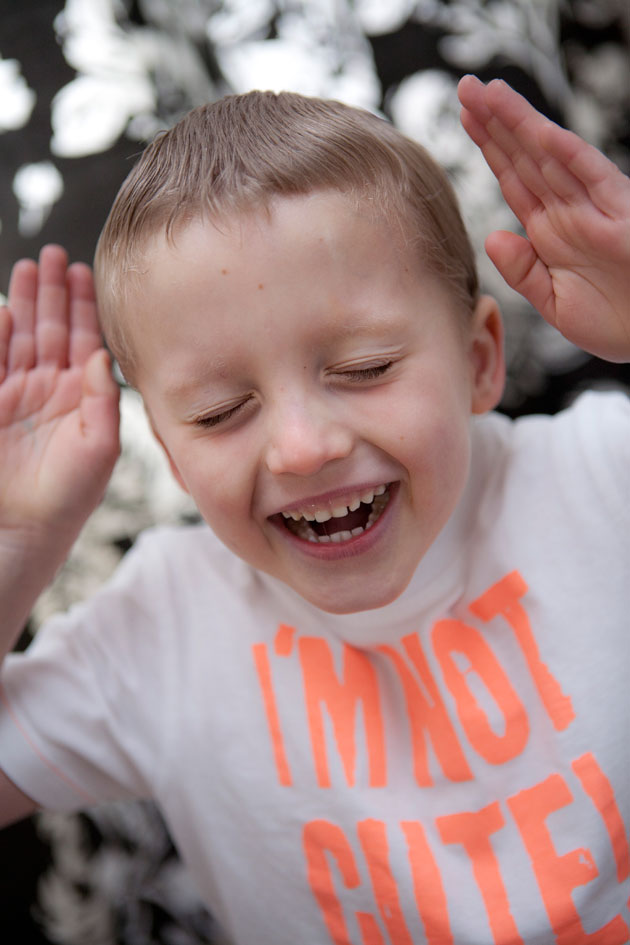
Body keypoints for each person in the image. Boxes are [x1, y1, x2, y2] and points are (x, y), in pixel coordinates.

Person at [0, 74, 628, 945]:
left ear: (482, 359)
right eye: (220, 412)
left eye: (365, 367)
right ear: (173, 457)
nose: (301, 447)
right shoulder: (162, 628)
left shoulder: (603, 478)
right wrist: (18, 540)